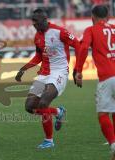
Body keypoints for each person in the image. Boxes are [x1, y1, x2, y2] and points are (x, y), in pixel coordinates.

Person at [15, 8, 80, 149]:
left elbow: (78, 45)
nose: (34, 25)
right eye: (33, 23)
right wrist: (24, 68)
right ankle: (58, 112)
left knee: (43, 103)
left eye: (36, 22)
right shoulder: (37, 36)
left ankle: (49, 141)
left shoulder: (60, 32)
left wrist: (77, 69)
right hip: (43, 74)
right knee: (29, 106)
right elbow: (39, 56)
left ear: (45, 19)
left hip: (59, 72)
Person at [74, 5, 115, 158]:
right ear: (108, 16)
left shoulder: (91, 30)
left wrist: (78, 70)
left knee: (103, 113)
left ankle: (113, 145)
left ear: (92, 17)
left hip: (107, 77)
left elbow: (83, 48)